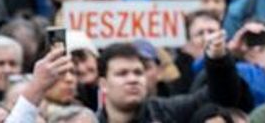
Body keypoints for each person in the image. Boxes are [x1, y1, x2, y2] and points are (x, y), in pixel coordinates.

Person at [96, 30, 251, 122]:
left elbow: (221, 97)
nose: (133, 79)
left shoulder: (166, 112)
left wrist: (218, 59)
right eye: (122, 74)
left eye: (138, 72)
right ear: (103, 84)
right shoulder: (88, 121)